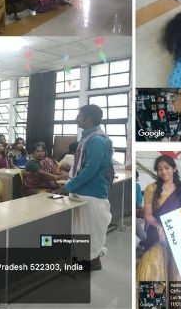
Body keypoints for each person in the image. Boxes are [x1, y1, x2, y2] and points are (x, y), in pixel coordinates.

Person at [54, 105, 114, 270]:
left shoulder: (97, 140)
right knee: (81, 229)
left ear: (89, 119)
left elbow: (91, 170)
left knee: (91, 230)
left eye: (79, 116)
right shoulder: (87, 138)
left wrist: (68, 186)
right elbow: (80, 166)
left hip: (92, 193)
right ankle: (84, 259)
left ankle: (92, 261)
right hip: (82, 191)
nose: (76, 118)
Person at [138, 155, 181, 283]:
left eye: (167, 168)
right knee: (153, 270)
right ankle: (154, 303)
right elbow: (148, 215)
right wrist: (159, 226)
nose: (163, 171)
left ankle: (173, 302)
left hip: (177, 235)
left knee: (176, 272)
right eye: (159, 169)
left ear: (174, 169)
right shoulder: (151, 188)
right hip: (156, 234)